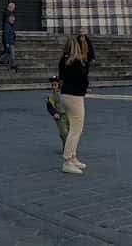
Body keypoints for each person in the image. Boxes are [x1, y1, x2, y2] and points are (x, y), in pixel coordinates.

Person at [58, 37, 89, 175]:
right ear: (77, 48)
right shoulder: (77, 62)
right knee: (76, 129)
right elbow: (84, 79)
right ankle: (67, 161)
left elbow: (61, 78)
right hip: (75, 97)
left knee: (73, 127)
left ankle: (73, 157)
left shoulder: (62, 61)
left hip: (64, 95)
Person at [46, 75, 70, 152]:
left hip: (69, 115)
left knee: (70, 133)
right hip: (60, 116)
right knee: (64, 132)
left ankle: (67, 146)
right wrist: (54, 113)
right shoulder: (51, 96)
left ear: (59, 85)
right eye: (52, 85)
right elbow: (49, 106)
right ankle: (68, 149)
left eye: (55, 85)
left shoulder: (66, 92)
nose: (53, 87)